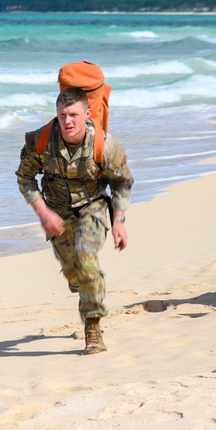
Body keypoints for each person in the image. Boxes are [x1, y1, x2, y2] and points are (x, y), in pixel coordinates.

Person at [15, 86, 134, 354]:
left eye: (73, 115)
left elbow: (122, 183)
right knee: (74, 272)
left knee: (86, 261)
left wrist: (118, 221)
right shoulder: (41, 141)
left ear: (87, 114)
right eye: (62, 115)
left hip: (91, 208)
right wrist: (44, 213)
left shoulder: (104, 144)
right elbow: (24, 178)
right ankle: (80, 282)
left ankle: (92, 329)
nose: (67, 121)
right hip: (56, 214)